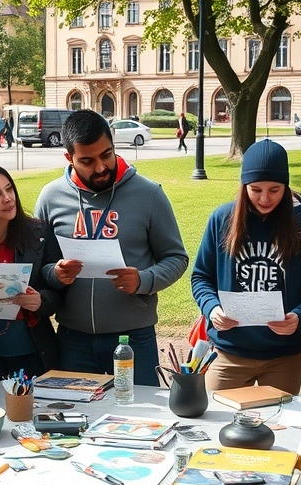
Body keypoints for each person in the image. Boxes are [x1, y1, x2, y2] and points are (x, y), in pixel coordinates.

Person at [36, 110, 189, 384]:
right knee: (75, 419)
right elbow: (39, 263)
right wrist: (54, 273)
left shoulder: (149, 194)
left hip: (133, 338)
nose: (100, 167)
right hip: (73, 339)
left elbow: (176, 257)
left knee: (140, 418)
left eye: (106, 154)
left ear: (114, 143)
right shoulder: (51, 197)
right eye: (87, 160)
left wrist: (144, 280)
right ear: (69, 158)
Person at [191, 139, 301, 393]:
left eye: (275, 189)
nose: (265, 198)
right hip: (229, 352)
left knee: (281, 426)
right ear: (243, 185)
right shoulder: (222, 219)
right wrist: (212, 308)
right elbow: (201, 277)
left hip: (284, 354)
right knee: (215, 422)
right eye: (255, 189)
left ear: (286, 186)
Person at [0, 161, 61, 386]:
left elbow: (60, 291)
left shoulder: (39, 233)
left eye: (9, 189)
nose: (8, 198)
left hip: (35, 349)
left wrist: (41, 301)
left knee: (32, 413)